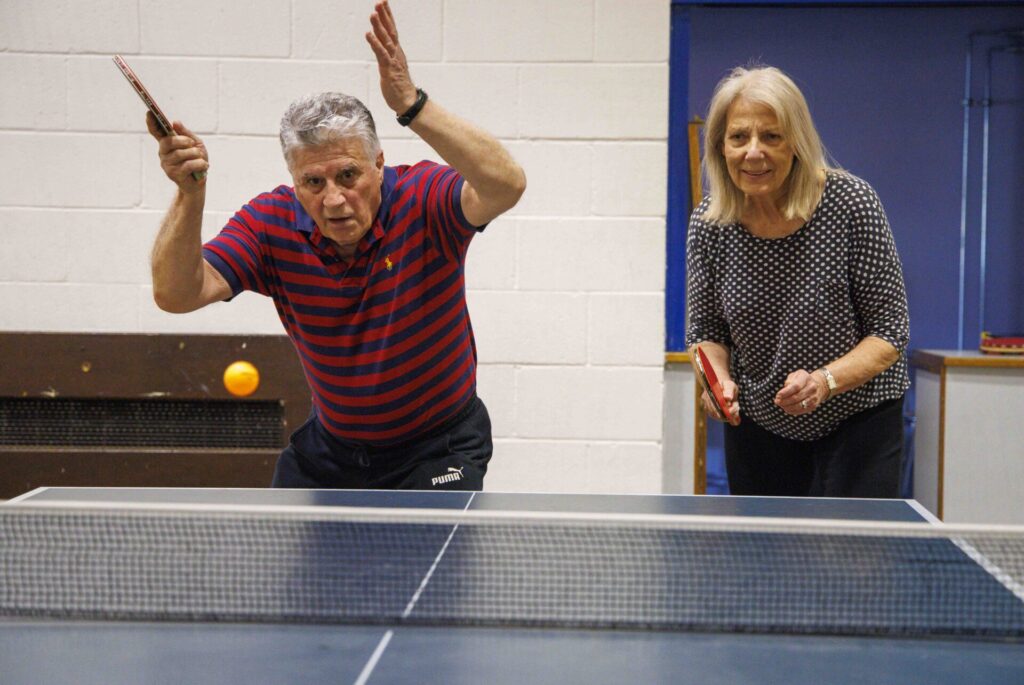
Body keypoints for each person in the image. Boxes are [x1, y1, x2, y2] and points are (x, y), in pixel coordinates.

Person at [147, 1, 526, 490]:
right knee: (303, 568)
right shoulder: (271, 224)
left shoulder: (423, 200)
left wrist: (412, 104)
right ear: (294, 180)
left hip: (439, 447)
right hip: (332, 454)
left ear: (379, 164)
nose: (333, 199)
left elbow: (506, 184)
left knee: (430, 563)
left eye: (348, 175)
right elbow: (176, 295)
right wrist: (189, 193)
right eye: (313, 181)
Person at [685, 65, 910, 498]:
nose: (754, 152)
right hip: (760, 420)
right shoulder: (710, 222)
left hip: (858, 416)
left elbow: (890, 332)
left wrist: (824, 381)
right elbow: (705, 331)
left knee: (852, 559)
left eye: (771, 136)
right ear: (720, 146)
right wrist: (717, 383)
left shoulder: (850, 204)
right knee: (767, 558)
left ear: (797, 144)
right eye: (739, 137)